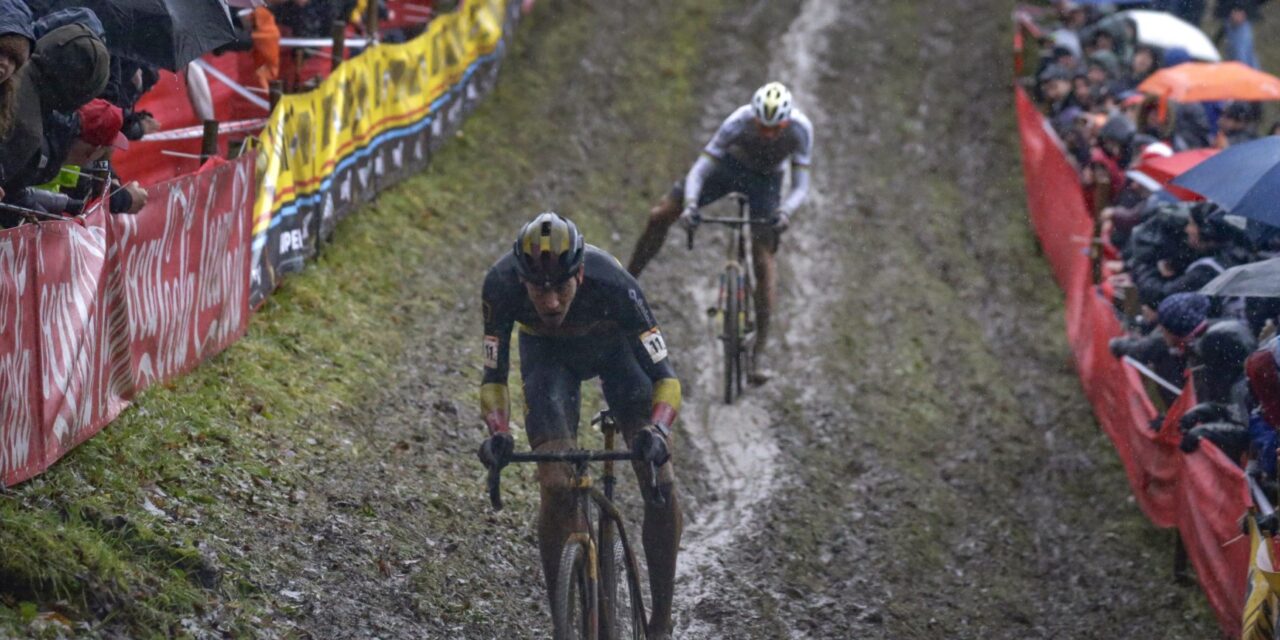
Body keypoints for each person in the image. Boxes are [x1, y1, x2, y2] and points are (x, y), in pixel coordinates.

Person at [476, 213, 683, 640]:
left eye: (561, 287)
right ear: (522, 280)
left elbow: (666, 377)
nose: (550, 302)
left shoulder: (615, 282)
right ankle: (563, 625)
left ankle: (660, 620)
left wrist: (657, 432)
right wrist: (499, 431)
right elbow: (493, 380)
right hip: (549, 361)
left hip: (618, 356)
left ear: (581, 273)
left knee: (658, 478)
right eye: (538, 289)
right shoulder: (500, 286)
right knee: (554, 485)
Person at [627, 81, 814, 383]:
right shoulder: (738, 121)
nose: (767, 134)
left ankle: (756, 357)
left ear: (786, 122)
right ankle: (626, 281)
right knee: (661, 214)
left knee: (763, 260)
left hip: (766, 181)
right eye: (761, 127)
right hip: (729, 166)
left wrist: (785, 212)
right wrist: (689, 205)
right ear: (753, 118)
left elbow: (801, 185)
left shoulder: (800, 129)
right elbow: (701, 169)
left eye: (774, 129)